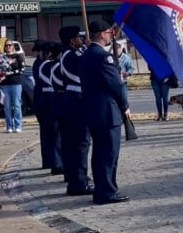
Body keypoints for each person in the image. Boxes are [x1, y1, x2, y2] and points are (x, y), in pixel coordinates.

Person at [80, 20, 131, 205]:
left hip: (92, 111)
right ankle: (107, 192)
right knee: (109, 154)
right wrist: (124, 105)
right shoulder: (103, 57)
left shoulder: (85, 56)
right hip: (107, 112)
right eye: (109, 32)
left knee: (99, 154)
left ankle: (102, 190)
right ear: (102, 34)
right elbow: (116, 86)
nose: (111, 34)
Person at [57, 26, 93, 196]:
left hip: (71, 99)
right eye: (79, 37)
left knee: (73, 144)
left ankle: (75, 179)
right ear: (72, 40)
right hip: (77, 100)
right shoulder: (73, 55)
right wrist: (90, 47)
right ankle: (79, 182)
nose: (81, 40)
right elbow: (89, 66)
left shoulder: (66, 54)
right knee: (80, 143)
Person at [34, 41, 63, 174]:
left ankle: (49, 160)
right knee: (55, 133)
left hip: (43, 98)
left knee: (47, 132)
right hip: (50, 97)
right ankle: (56, 162)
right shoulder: (50, 66)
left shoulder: (40, 64)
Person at [0, 41, 26, 133]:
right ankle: (9, 126)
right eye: (6, 45)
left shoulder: (18, 56)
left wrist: (11, 73)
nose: (8, 47)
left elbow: (22, 69)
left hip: (16, 84)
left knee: (17, 105)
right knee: (7, 106)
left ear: (13, 46)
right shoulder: (1, 57)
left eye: (9, 45)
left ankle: (18, 125)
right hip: (4, 85)